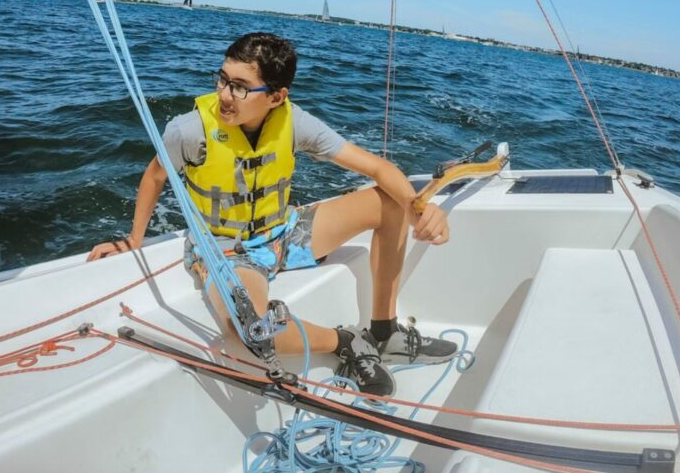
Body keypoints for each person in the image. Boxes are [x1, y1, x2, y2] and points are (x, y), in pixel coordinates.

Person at [88, 32, 456, 395]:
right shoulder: (190, 131)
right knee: (248, 329)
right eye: (223, 80)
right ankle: (344, 341)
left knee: (390, 201)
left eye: (240, 87)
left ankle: (384, 331)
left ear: (277, 97)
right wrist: (134, 238)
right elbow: (154, 176)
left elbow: (378, 168)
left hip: (283, 233)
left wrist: (419, 211)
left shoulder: (294, 122)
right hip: (228, 250)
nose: (224, 95)